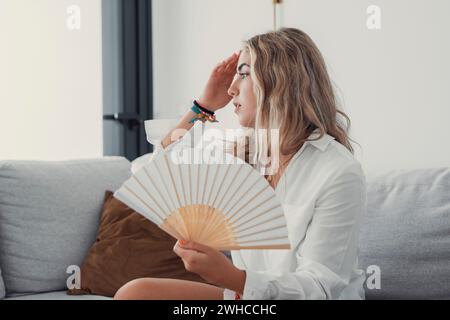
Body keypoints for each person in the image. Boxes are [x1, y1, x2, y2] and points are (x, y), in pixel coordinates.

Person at [114, 27, 367, 300]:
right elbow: (152, 177)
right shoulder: (245, 156)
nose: (231, 88)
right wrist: (203, 107)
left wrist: (233, 278)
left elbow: (320, 288)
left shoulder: (338, 172)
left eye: (243, 74)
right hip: (247, 297)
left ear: (280, 81)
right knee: (136, 294)